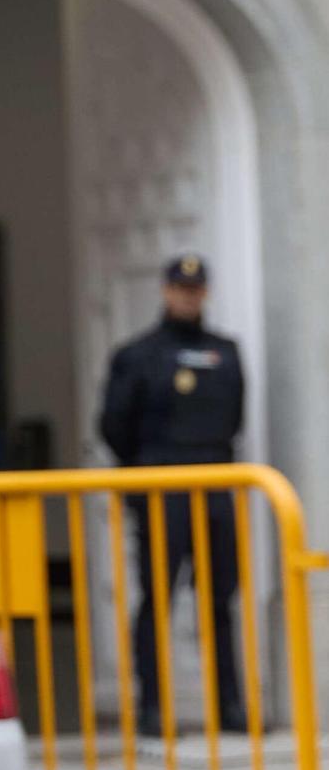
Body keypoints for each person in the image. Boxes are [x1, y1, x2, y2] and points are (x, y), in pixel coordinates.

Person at [99, 253, 246, 737]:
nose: (188, 297)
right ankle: (152, 708)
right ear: (166, 291)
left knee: (220, 600)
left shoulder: (225, 352)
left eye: (196, 290)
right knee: (156, 599)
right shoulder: (138, 355)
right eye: (181, 289)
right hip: (162, 490)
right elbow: (114, 426)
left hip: (215, 487)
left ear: (205, 293)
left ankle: (229, 705)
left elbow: (234, 418)